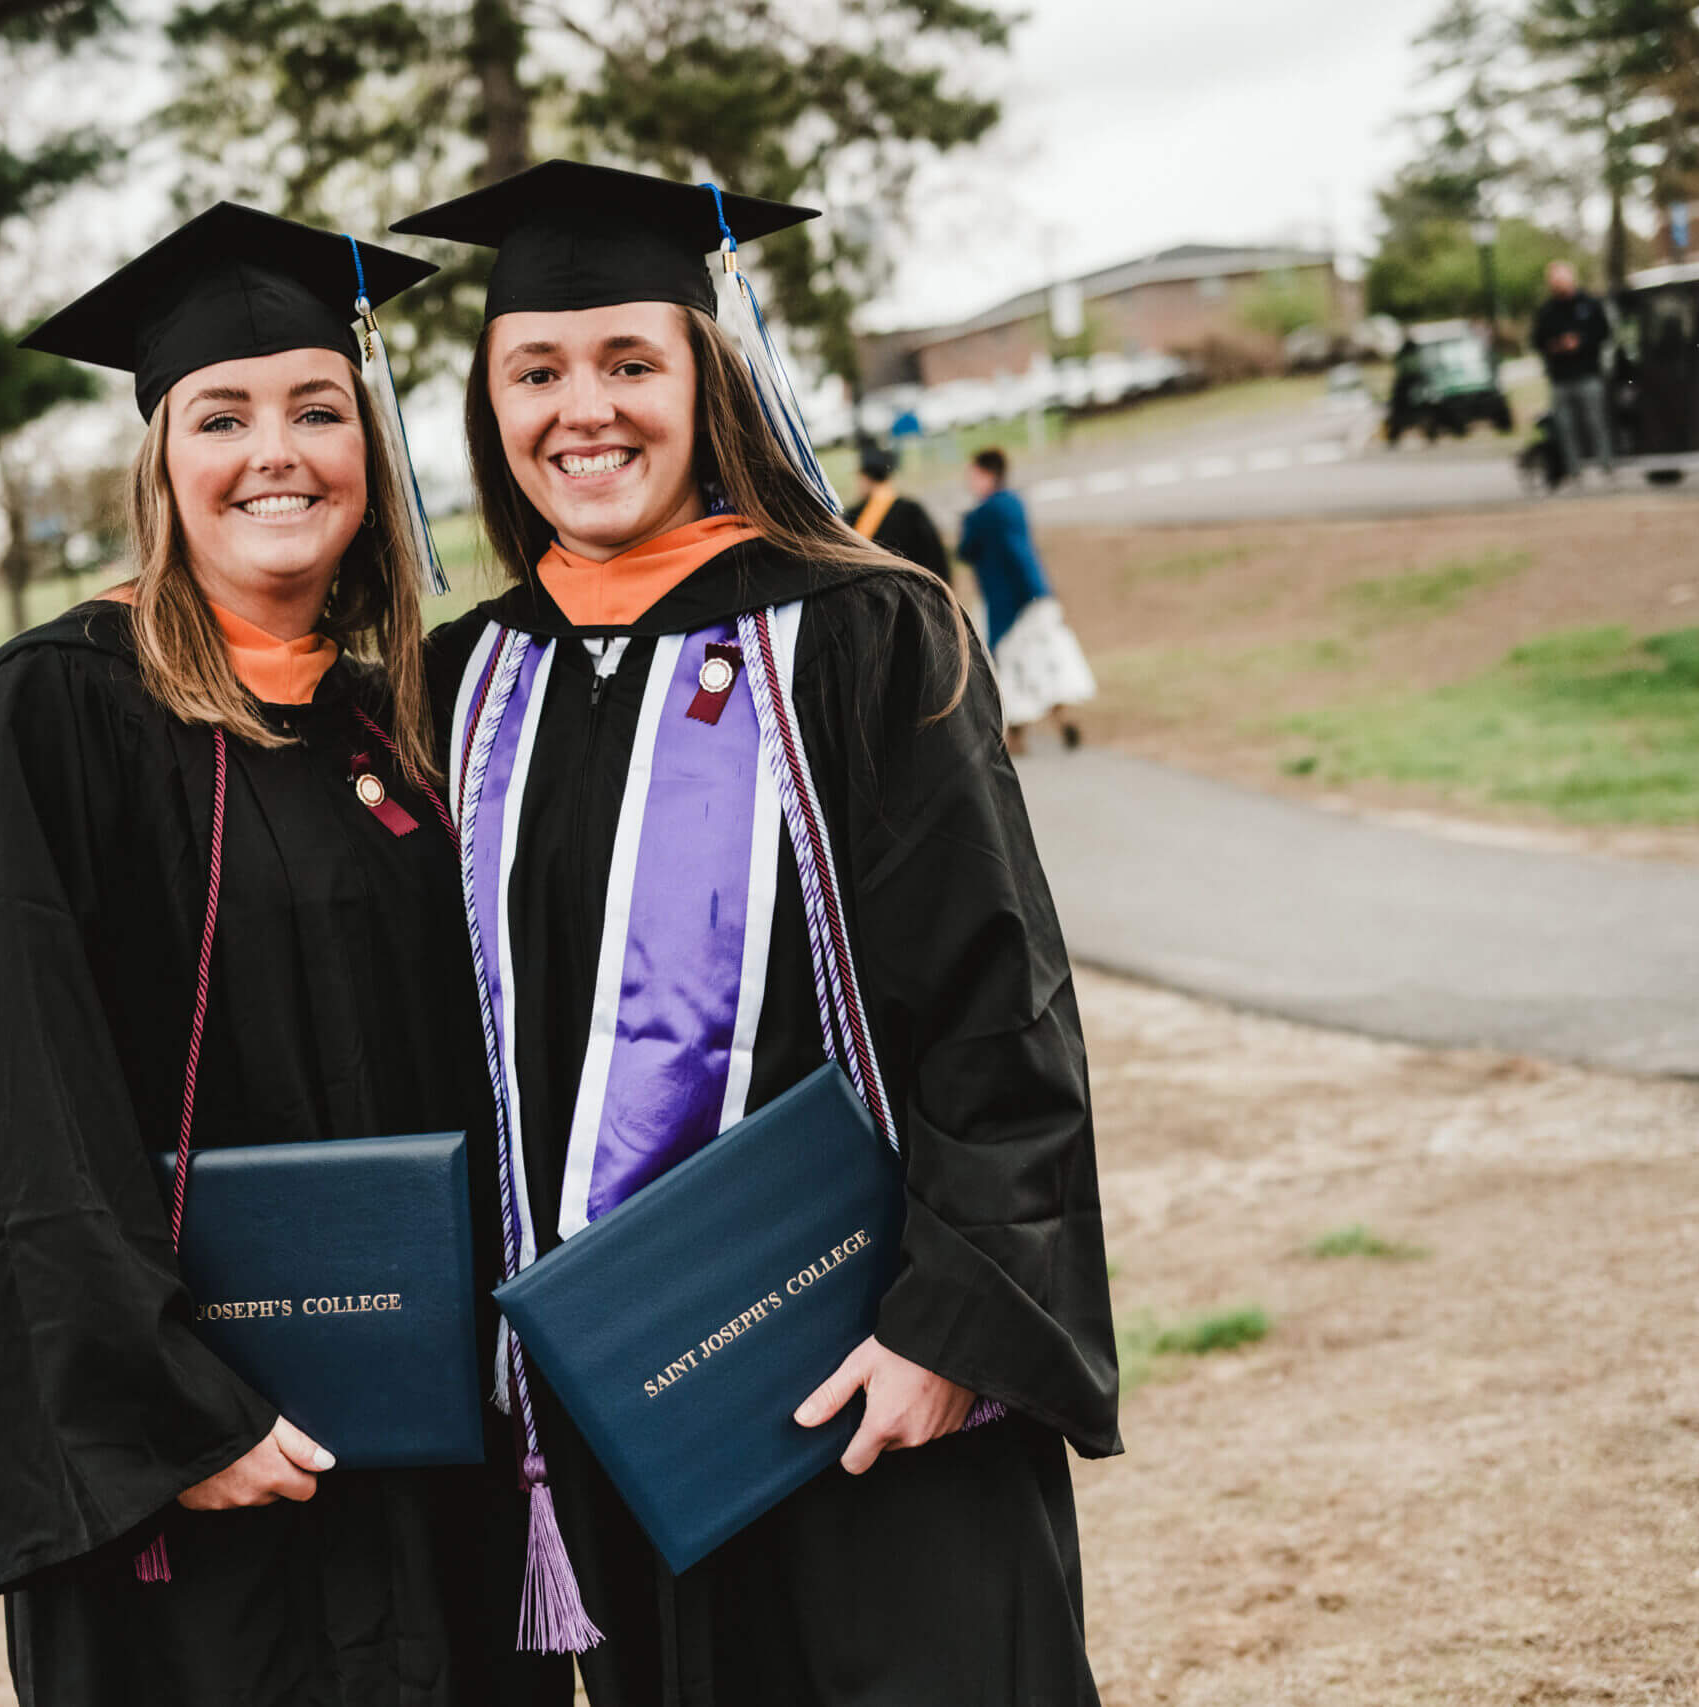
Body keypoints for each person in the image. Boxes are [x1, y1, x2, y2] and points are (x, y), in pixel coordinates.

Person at [398, 161, 1118, 1705]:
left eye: (629, 363)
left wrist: (950, 1324)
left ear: (707, 375)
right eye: (537, 370)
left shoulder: (861, 631)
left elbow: (1002, 1003)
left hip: (873, 1381)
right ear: (490, 399)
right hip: (630, 1408)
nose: (581, 411)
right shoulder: (467, 681)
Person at [0, 205, 552, 1707]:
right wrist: (171, 1412)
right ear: (161, 461)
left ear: (370, 450)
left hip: (432, 1443)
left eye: (322, 409)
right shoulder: (51, 718)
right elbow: (10, 1103)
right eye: (224, 415)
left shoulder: (407, 722)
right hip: (205, 1474)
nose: (279, 451)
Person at [959, 447, 1094, 754]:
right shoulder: (1014, 504)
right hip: (1036, 594)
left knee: (1009, 666)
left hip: (1008, 601)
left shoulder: (983, 514)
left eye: (973, 475)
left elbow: (967, 549)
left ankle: (1017, 738)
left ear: (987, 475)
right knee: (1040, 663)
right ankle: (1061, 722)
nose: (969, 481)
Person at [1530, 260, 1615, 483]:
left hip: (1587, 372)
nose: (1558, 285)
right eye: (1554, 281)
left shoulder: (1589, 304)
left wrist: (1581, 342)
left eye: (1562, 279)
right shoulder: (1547, 311)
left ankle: (1606, 465)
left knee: (1595, 421)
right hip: (1560, 377)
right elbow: (1537, 340)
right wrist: (1557, 345)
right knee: (1565, 426)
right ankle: (1574, 470)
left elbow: (1604, 332)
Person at [842, 442, 950, 581]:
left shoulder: (854, 515)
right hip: (916, 590)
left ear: (865, 478)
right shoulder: (911, 509)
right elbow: (935, 555)